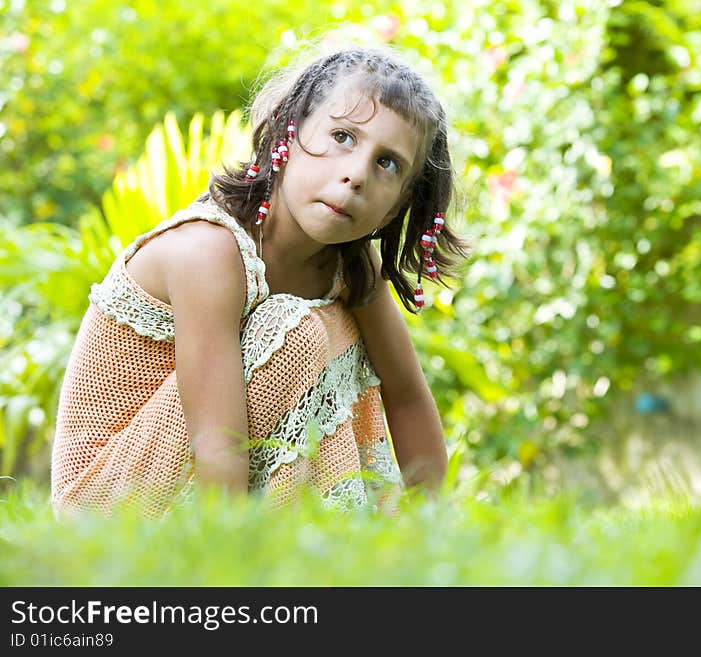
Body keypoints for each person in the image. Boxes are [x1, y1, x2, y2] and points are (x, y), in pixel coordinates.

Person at [50, 44, 468, 518]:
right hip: (105, 501)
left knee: (332, 325)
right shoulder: (210, 251)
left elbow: (408, 394)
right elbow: (217, 442)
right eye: (342, 136)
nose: (356, 175)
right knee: (299, 332)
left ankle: (343, 536)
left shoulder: (351, 267)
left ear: (397, 206)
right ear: (287, 131)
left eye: (387, 163)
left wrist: (432, 525)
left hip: (190, 469)